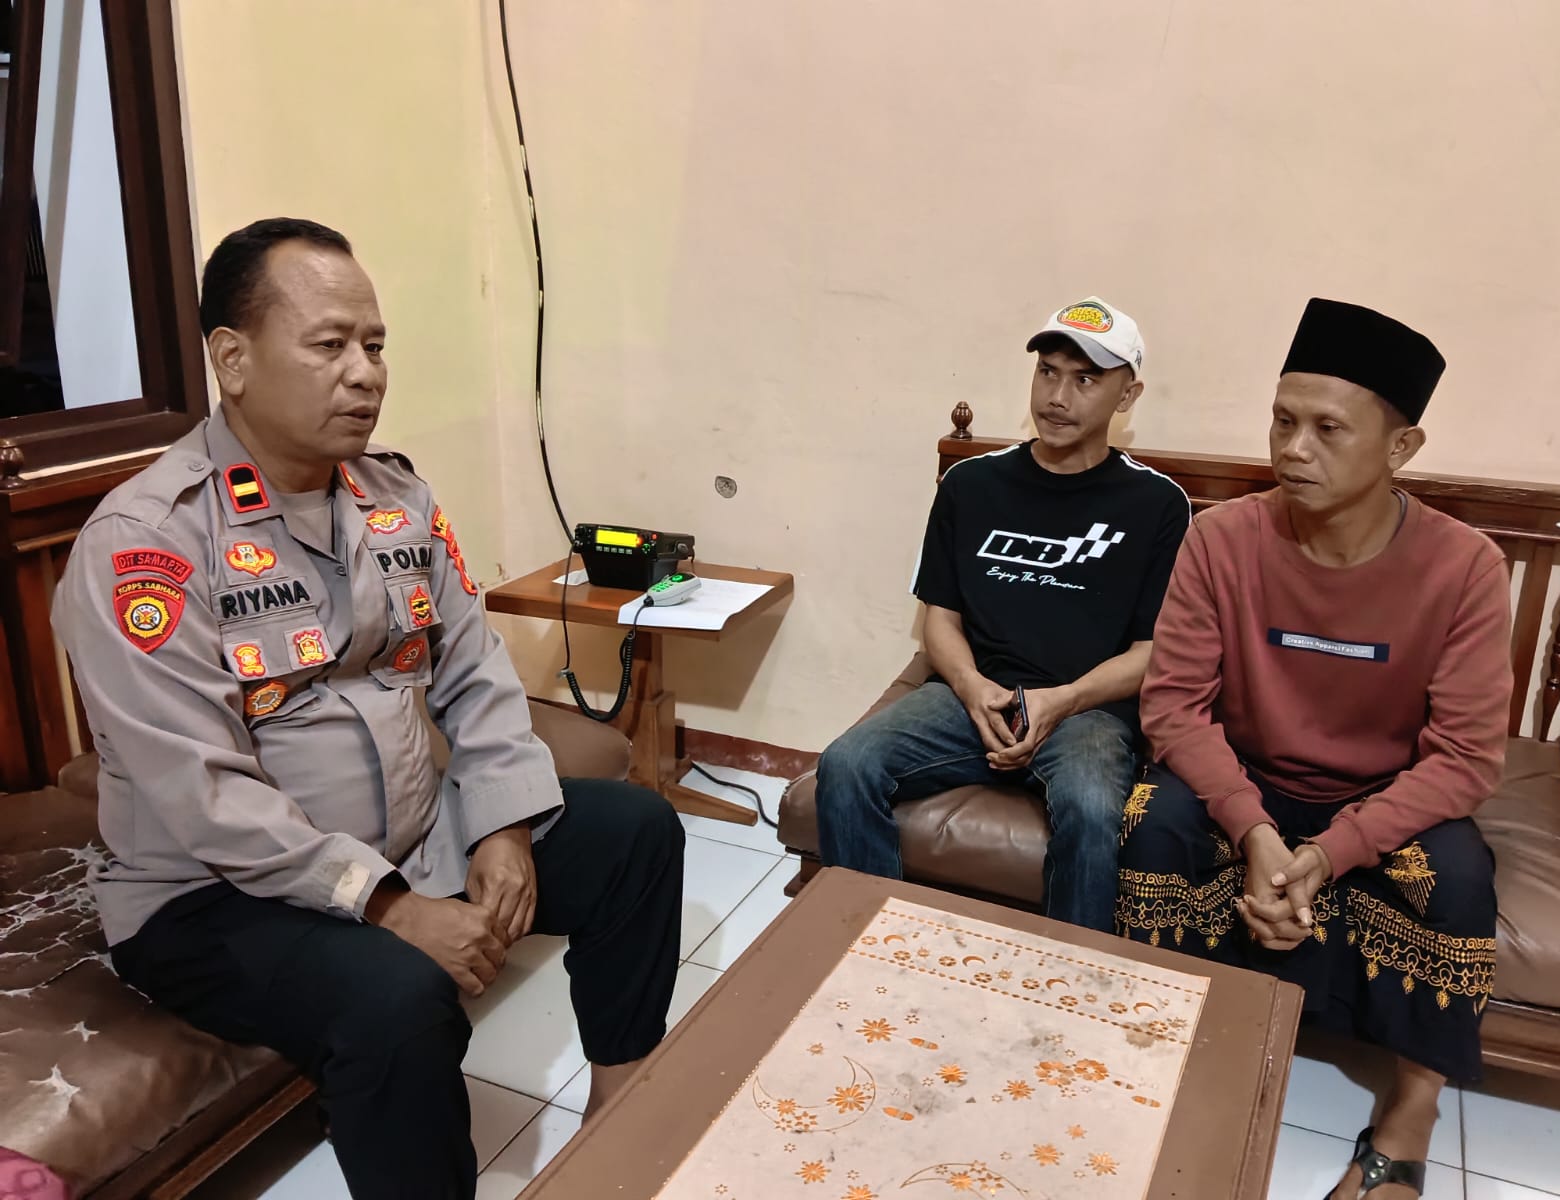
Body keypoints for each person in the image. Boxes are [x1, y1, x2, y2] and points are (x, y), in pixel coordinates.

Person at [52, 218, 685, 1200]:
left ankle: (621, 1119)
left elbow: (474, 671)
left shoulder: (395, 498)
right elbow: (202, 793)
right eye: (329, 344)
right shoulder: (149, 544)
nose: (365, 373)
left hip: (411, 839)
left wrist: (504, 826)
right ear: (233, 360)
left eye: (375, 345)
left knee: (636, 833)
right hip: (214, 896)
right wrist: (387, 906)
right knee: (399, 997)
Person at [1117, 299, 1511, 1199]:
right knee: (1152, 820)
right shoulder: (1223, 538)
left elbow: (1464, 759)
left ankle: (1410, 1113)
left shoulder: (1465, 568)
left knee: (1458, 877)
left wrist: (1333, 851)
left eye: (1328, 429)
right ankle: (1168, 1046)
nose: (1293, 449)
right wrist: (1255, 831)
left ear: (1401, 447)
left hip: (1383, 795)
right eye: (1282, 421)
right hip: (1247, 777)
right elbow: (1173, 706)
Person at [814, 298, 1191, 930]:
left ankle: (1068, 976)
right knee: (847, 764)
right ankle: (864, 944)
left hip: (1088, 710)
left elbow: (1151, 652)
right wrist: (972, 687)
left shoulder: (1157, 504)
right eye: (1048, 372)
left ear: (1128, 395)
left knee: (1091, 806)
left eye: (1085, 379)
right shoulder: (971, 484)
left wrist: (1061, 702)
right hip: (974, 695)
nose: (1057, 397)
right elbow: (940, 617)